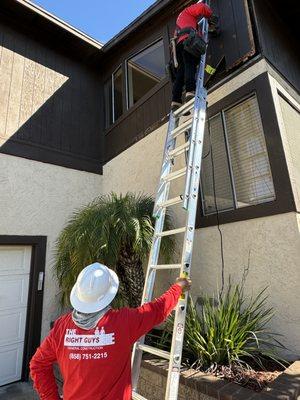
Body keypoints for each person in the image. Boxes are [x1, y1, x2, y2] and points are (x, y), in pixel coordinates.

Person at [30, 262, 191, 400]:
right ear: (108, 295)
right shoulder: (123, 322)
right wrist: (178, 288)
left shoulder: (61, 327)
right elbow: (156, 310)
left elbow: (37, 364)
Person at [171, 2, 217, 111]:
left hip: (178, 47)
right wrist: (210, 16)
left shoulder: (179, 21)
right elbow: (201, 7)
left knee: (181, 73)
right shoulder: (187, 11)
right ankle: (190, 90)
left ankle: (175, 101)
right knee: (190, 65)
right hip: (189, 42)